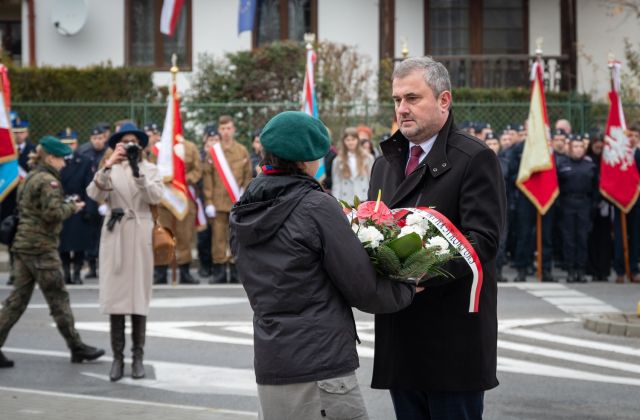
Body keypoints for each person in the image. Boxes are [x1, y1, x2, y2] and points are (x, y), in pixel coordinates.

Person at [229, 111, 415, 420]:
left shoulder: (243, 207)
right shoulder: (316, 205)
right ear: (306, 161)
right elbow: (362, 287)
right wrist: (407, 286)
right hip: (320, 361)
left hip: (271, 361)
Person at [368, 57, 505, 419]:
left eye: (412, 98)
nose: (402, 109)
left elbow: (484, 239)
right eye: (397, 100)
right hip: (401, 330)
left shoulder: (474, 158)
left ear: (444, 100)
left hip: (451, 336)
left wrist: (421, 270)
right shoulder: (385, 162)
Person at [0, 136, 105, 369]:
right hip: (41, 248)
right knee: (58, 299)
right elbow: (52, 213)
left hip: (24, 245)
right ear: (50, 158)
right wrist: (73, 207)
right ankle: (77, 347)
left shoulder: (31, 176)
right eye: (61, 158)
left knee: (16, 301)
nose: (65, 164)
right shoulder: (49, 181)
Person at [86, 123, 163, 381]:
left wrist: (138, 171)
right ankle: (117, 359)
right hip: (116, 233)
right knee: (116, 300)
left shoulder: (150, 169)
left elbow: (155, 197)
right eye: (124, 142)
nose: (130, 145)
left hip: (140, 234)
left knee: (138, 299)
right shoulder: (109, 167)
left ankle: (137, 358)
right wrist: (109, 164)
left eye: (134, 142)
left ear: (141, 145)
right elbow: (94, 194)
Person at [149, 125, 203, 285]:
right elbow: (151, 171)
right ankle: (160, 272)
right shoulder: (157, 149)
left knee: (184, 236)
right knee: (163, 236)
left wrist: (182, 181)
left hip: (183, 199)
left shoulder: (190, 147)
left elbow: (197, 171)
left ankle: (185, 272)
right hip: (164, 200)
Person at [202, 115, 252, 284]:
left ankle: (236, 271)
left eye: (229, 128)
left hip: (237, 203)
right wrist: (208, 202)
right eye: (222, 129)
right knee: (218, 239)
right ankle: (219, 271)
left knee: (237, 238)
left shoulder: (242, 151)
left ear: (234, 129)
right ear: (219, 130)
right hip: (217, 203)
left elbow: (247, 176)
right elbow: (208, 178)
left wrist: (245, 195)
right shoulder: (213, 152)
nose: (226, 132)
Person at [557, 136, 598, 283]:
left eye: (581, 146)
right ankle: (570, 270)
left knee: (582, 238)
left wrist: (594, 205)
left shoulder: (590, 165)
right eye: (575, 146)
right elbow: (557, 187)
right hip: (567, 203)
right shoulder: (562, 165)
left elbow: (595, 188)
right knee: (569, 239)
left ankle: (581, 269)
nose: (578, 149)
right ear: (570, 148)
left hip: (584, 204)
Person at [2, 113, 36, 286]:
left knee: (24, 238)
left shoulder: (33, 150)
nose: (18, 135)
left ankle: (24, 272)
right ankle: (13, 271)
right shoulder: (4, 152)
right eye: (15, 132)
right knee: (9, 237)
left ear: (27, 132)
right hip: (8, 200)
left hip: (26, 201)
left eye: (21, 132)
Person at [58, 128, 94, 285]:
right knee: (63, 244)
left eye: (71, 143)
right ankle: (66, 272)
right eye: (65, 144)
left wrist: (89, 209)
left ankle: (77, 272)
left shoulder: (84, 161)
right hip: (61, 207)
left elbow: (89, 187)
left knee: (79, 243)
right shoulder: (56, 161)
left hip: (79, 207)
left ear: (76, 143)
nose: (69, 147)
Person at [78, 124, 110, 280]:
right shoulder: (84, 153)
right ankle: (91, 267)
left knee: (105, 235)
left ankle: (104, 266)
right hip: (90, 198)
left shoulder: (109, 154)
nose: (98, 141)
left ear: (105, 138)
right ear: (91, 139)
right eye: (95, 138)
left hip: (106, 199)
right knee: (91, 235)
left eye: (101, 138)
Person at [586, 134, 613, 281]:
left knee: (604, 239)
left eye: (601, 142)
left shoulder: (608, 162)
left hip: (605, 204)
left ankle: (604, 270)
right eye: (596, 142)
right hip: (589, 204)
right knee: (591, 238)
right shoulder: (587, 160)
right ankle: (593, 269)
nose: (598, 145)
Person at [196, 124, 220, 279]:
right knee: (204, 236)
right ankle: (205, 265)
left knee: (218, 236)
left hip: (218, 200)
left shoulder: (223, 156)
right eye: (210, 139)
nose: (213, 142)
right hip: (201, 200)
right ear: (205, 140)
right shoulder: (200, 156)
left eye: (216, 139)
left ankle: (218, 266)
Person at [330, 127, 375, 203]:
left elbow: (372, 179)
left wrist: (373, 198)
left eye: (353, 139)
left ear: (358, 140)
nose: (350, 142)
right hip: (346, 200)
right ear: (344, 141)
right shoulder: (337, 160)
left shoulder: (368, 157)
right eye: (348, 140)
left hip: (363, 197)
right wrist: (336, 201)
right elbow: (336, 183)